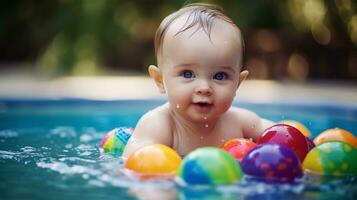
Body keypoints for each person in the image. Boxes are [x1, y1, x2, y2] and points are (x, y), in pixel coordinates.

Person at [123, 3, 274, 157]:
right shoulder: (158, 125)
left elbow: (282, 134)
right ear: (160, 80)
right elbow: (136, 163)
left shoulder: (240, 122)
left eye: (220, 76)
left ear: (237, 83)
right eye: (188, 74)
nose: (204, 87)